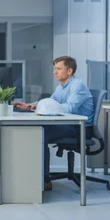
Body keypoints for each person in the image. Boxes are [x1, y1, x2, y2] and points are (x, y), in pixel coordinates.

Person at [12, 56, 93, 191]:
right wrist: (30, 106)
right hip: (67, 125)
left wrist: (48, 108)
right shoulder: (61, 87)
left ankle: (44, 179)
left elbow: (69, 107)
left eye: (58, 69)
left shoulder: (77, 85)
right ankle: (33, 176)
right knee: (38, 130)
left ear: (69, 71)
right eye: (54, 69)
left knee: (41, 133)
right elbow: (51, 101)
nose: (55, 72)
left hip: (80, 128)